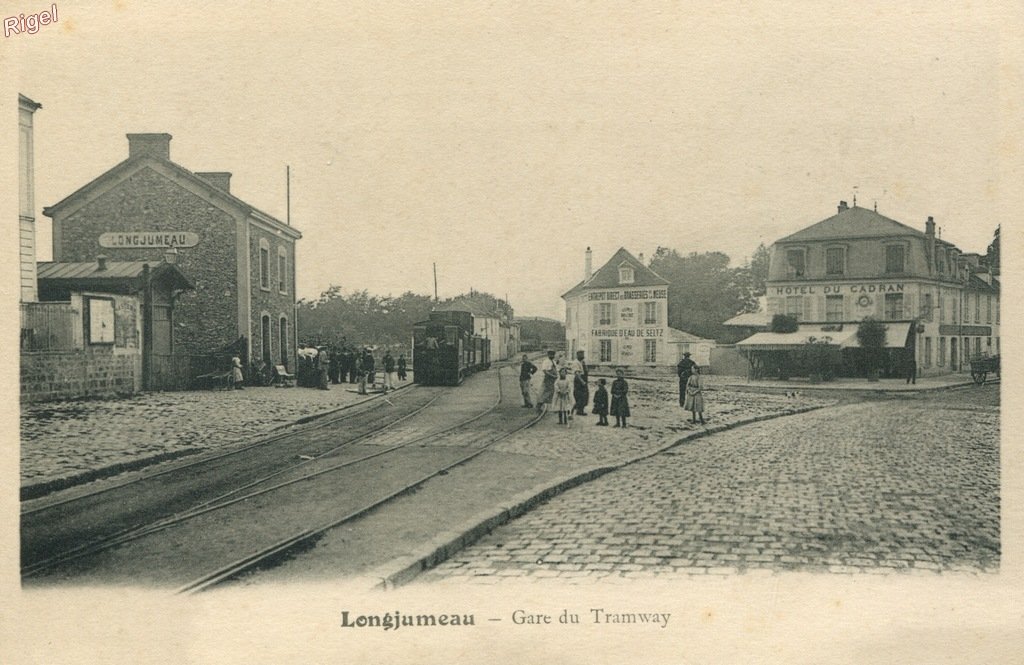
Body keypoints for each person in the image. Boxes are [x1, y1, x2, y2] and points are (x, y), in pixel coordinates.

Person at [570, 350, 590, 416]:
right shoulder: (575, 362)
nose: (582, 355)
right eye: (581, 354)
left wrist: (585, 365)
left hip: (584, 378)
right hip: (579, 380)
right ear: (577, 355)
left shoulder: (582, 362)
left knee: (585, 395)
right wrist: (582, 382)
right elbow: (577, 374)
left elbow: (586, 371)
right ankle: (578, 410)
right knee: (580, 395)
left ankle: (580, 409)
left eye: (583, 354)